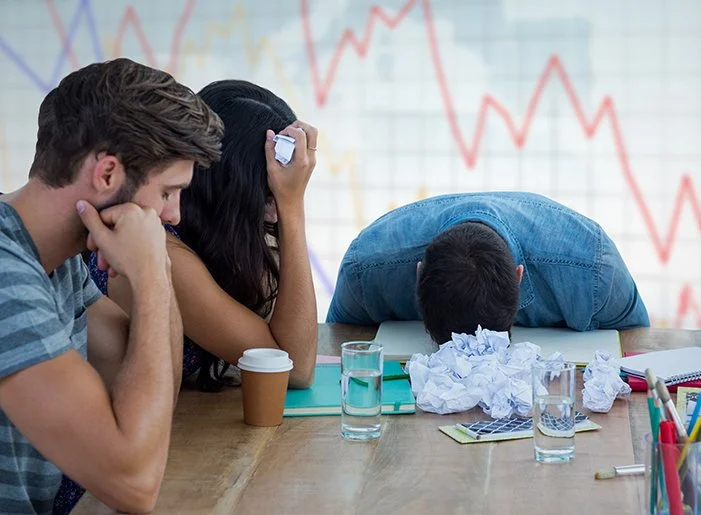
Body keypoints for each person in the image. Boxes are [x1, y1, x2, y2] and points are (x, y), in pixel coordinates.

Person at [0, 58, 223, 514]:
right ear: (106, 175)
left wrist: (153, 273)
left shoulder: (53, 260)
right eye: (167, 192)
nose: (175, 215)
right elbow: (135, 483)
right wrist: (153, 279)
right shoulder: (7, 276)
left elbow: (152, 391)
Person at [92, 79, 319, 392]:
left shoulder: (204, 239)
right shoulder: (160, 247)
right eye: (265, 196)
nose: (272, 214)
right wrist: (293, 207)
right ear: (224, 191)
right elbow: (293, 368)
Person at [327, 192, 649, 343]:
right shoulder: (365, 271)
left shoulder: (592, 267)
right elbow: (335, 351)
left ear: (519, 276)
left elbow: (639, 346)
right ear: (418, 275)